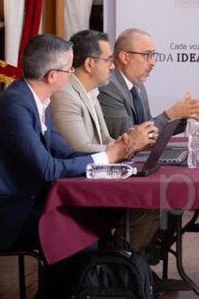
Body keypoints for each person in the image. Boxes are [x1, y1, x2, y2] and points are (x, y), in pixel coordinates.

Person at [0, 35, 136, 293]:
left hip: (23, 201)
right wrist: (106, 158)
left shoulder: (38, 99)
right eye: (69, 69)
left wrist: (110, 153)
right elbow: (48, 169)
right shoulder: (15, 106)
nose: (72, 75)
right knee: (77, 238)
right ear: (52, 76)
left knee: (93, 221)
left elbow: (62, 150)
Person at [50, 30, 162, 253]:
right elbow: (79, 149)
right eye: (109, 60)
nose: (112, 66)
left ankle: (126, 263)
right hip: (76, 187)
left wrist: (128, 144)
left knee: (155, 200)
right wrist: (127, 146)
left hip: (96, 177)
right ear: (90, 64)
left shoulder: (91, 92)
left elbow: (107, 139)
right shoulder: (65, 94)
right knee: (147, 203)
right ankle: (115, 263)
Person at [98, 27, 199, 138]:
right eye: (147, 55)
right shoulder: (108, 86)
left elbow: (149, 126)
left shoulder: (138, 86)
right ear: (125, 57)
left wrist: (184, 117)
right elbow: (128, 137)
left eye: (153, 55)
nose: (153, 62)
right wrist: (172, 114)